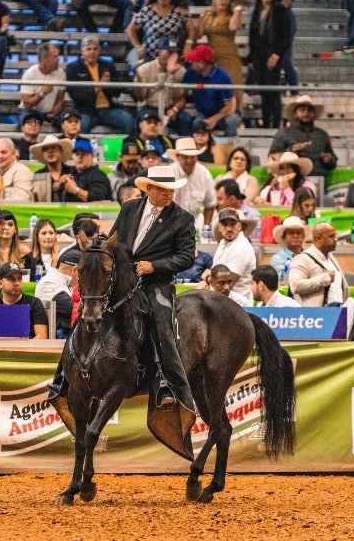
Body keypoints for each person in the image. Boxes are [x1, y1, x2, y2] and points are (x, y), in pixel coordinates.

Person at [101, 162, 198, 431]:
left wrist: (154, 266)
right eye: (164, 190)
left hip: (156, 283)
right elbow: (113, 240)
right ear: (150, 189)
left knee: (162, 327)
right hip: (124, 280)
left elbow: (186, 257)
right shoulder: (130, 209)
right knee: (91, 310)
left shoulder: (183, 219)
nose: (169, 194)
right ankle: (64, 376)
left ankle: (170, 386)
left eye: (172, 190)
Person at [191, 0, 247, 116]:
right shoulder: (209, 15)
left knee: (233, 87)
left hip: (230, 57)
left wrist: (238, 12)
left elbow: (233, 27)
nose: (223, 0)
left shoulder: (232, 14)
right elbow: (199, 35)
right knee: (216, 87)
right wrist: (200, 19)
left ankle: (236, 115)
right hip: (212, 58)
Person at [65, 36, 134, 135]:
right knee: (81, 125)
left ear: (99, 51)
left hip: (108, 109)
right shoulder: (73, 67)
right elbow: (75, 94)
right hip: (86, 111)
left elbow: (117, 92)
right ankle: (80, 150)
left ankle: (128, 148)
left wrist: (109, 84)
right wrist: (98, 87)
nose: (92, 52)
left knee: (128, 119)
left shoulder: (108, 65)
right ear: (82, 51)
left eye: (95, 49)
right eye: (88, 49)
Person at [246, 0, 291, 128]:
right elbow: (252, 37)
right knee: (264, 92)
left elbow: (286, 38)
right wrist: (251, 59)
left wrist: (276, 55)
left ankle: (276, 125)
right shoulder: (256, 10)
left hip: (273, 54)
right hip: (258, 56)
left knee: (274, 92)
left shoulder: (280, 10)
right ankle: (266, 124)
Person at [177, 44, 239, 137]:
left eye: (194, 60)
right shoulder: (191, 72)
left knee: (231, 120)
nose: (191, 62)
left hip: (222, 115)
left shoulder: (222, 76)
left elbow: (230, 105)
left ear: (201, 63)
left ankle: (229, 148)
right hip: (203, 114)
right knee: (197, 123)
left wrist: (215, 118)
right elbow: (181, 91)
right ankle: (198, 149)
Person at [132, 38, 191, 134]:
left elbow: (182, 98)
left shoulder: (181, 71)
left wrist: (171, 75)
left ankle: (184, 147)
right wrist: (139, 83)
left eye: (174, 52)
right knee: (140, 120)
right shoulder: (144, 69)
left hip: (171, 107)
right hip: (150, 106)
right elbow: (140, 97)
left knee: (186, 120)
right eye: (168, 52)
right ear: (159, 51)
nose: (171, 55)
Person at [269, 95, 337, 174]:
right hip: (293, 179)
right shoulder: (283, 133)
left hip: (319, 178)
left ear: (313, 114)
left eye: (309, 110)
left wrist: (329, 160)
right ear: (295, 114)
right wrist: (291, 150)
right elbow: (273, 158)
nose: (306, 112)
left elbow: (333, 162)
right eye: (302, 110)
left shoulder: (322, 134)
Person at [284, 221, 347, 307]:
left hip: (338, 315)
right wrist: (324, 278)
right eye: (331, 236)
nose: (335, 239)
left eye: (335, 236)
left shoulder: (332, 259)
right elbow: (295, 285)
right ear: (318, 238)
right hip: (315, 318)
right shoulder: (302, 259)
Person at [126, 0, 188, 68]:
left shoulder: (179, 11)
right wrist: (138, 47)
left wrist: (188, 43)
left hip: (172, 55)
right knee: (141, 69)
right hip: (150, 54)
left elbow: (191, 28)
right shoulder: (147, 10)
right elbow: (131, 29)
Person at [203, 207, 256, 299]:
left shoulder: (241, 247)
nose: (228, 228)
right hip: (226, 301)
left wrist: (207, 278)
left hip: (238, 305)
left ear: (240, 226)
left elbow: (226, 283)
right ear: (219, 227)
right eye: (225, 224)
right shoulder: (224, 243)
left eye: (232, 224)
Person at [0, 262, 50, 339]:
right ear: (0, 283)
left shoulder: (34, 303)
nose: (17, 283)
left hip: (28, 349)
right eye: (11, 279)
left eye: (19, 278)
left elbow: (42, 336)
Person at [168, 138, 216, 222]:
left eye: (192, 156)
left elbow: (210, 205)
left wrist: (205, 227)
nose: (189, 160)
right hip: (171, 223)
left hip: (196, 225)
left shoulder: (204, 174)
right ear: (178, 157)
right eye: (185, 157)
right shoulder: (169, 172)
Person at [18, 42, 66, 126]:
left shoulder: (61, 73)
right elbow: (27, 104)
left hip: (49, 112)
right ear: (44, 60)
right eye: (55, 56)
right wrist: (42, 93)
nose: (59, 59)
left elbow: (60, 100)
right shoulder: (30, 74)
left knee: (67, 121)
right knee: (29, 121)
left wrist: (52, 115)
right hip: (30, 111)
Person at [34, 245, 77, 334]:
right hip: (57, 339)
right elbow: (72, 308)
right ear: (74, 270)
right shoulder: (48, 282)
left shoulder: (66, 283)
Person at [58, 138, 112, 202]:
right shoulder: (70, 172)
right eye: (77, 154)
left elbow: (98, 198)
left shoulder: (98, 175)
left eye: (83, 154)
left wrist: (74, 189)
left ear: (92, 156)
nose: (79, 157)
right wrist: (59, 185)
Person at [32, 134, 74, 202]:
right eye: (46, 149)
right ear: (43, 154)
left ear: (61, 150)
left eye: (53, 147)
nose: (50, 151)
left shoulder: (73, 172)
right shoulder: (38, 176)